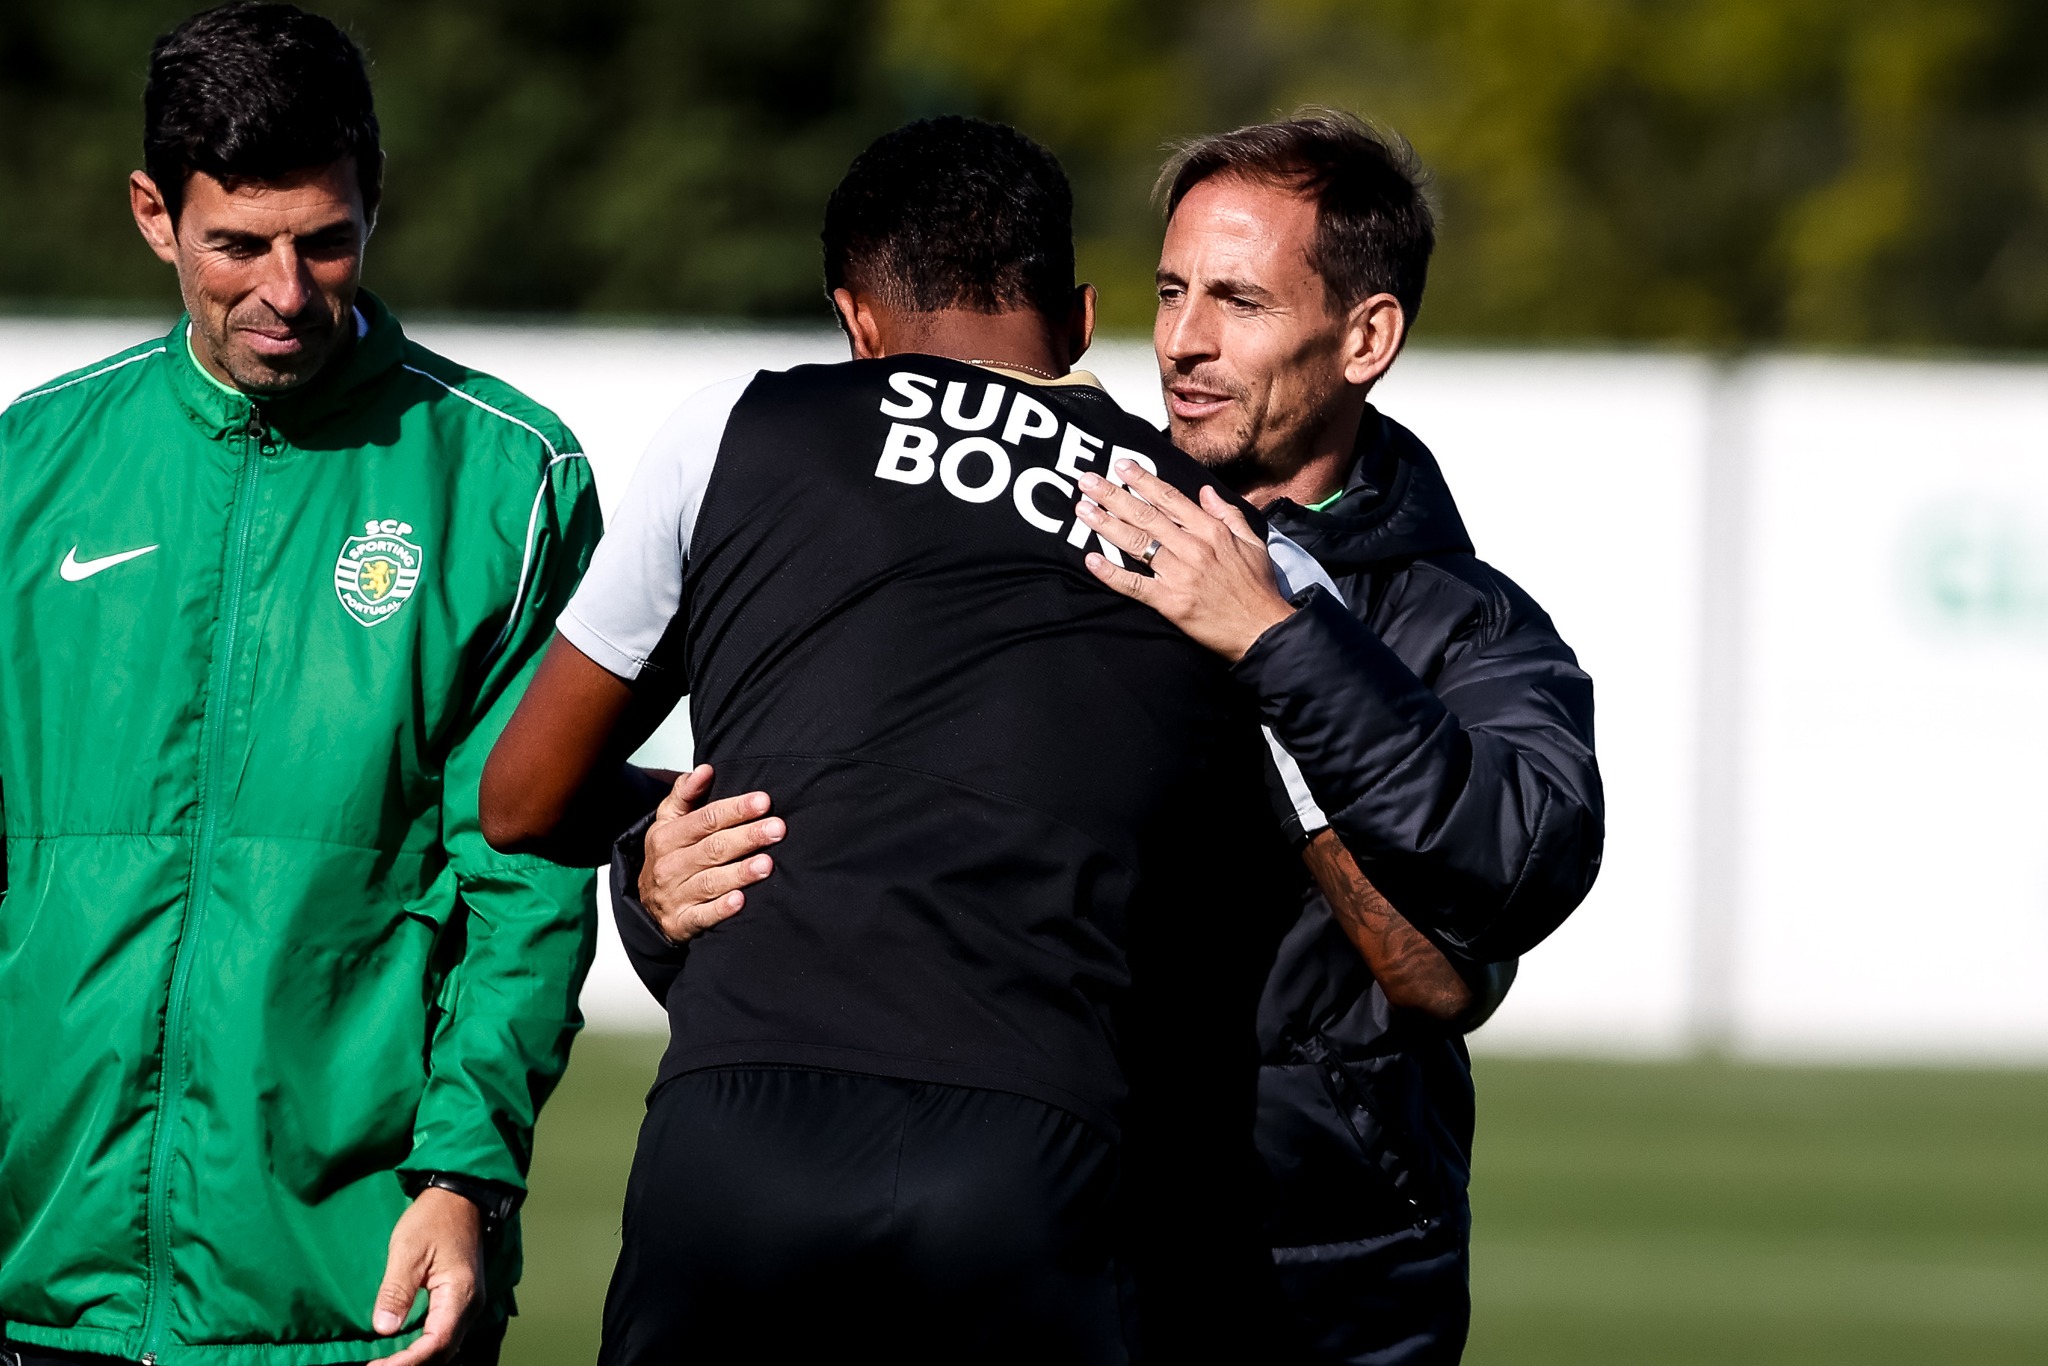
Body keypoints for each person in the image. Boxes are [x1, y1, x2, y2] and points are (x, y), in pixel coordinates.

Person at [479, 116, 1341, 1365]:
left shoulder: (736, 426)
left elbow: (520, 796)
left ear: (855, 321)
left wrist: (708, 826)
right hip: (1039, 1145)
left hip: (740, 1126)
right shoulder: (1220, 534)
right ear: (1084, 315)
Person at [0, 7, 600, 1366]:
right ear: (156, 215)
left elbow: (526, 877)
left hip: (349, 1294)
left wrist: (462, 1179)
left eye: (325, 239)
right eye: (238, 245)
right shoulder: (26, 473)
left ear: (373, 208)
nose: (285, 289)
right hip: (40, 1282)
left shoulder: (505, 482)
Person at [1076, 111, 1604, 1363]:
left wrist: (1273, 641)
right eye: (1169, 291)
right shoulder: (1064, 532)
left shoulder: (1468, 623)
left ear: (1365, 337)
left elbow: (1491, 903)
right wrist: (664, 894)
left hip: (1327, 1273)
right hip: (1048, 1213)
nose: (1181, 343)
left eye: (1238, 301)